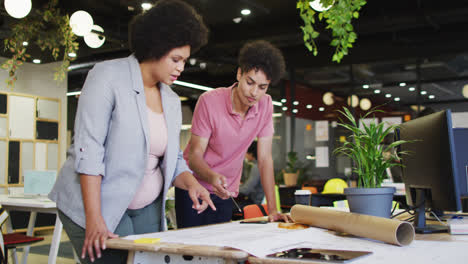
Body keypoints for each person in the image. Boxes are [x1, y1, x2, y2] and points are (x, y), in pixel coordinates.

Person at [48, 1, 214, 263]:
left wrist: (192, 183)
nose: (181, 68)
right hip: (96, 205)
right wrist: (94, 219)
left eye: (184, 60)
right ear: (156, 47)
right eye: (175, 59)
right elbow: (89, 150)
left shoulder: (170, 99)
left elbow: (172, 160)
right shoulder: (107, 77)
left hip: (146, 207)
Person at [176, 40, 290, 228]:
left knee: (220, 253)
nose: (254, 92)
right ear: (239, 73)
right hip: (193, 187)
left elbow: (264, 159)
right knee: (191, 253)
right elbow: (194, 156)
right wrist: (212, 177)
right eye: (250, 82)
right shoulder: (210, 101)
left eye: (262, 87)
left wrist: (272, 210)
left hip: (225, 192)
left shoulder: (266, 105)